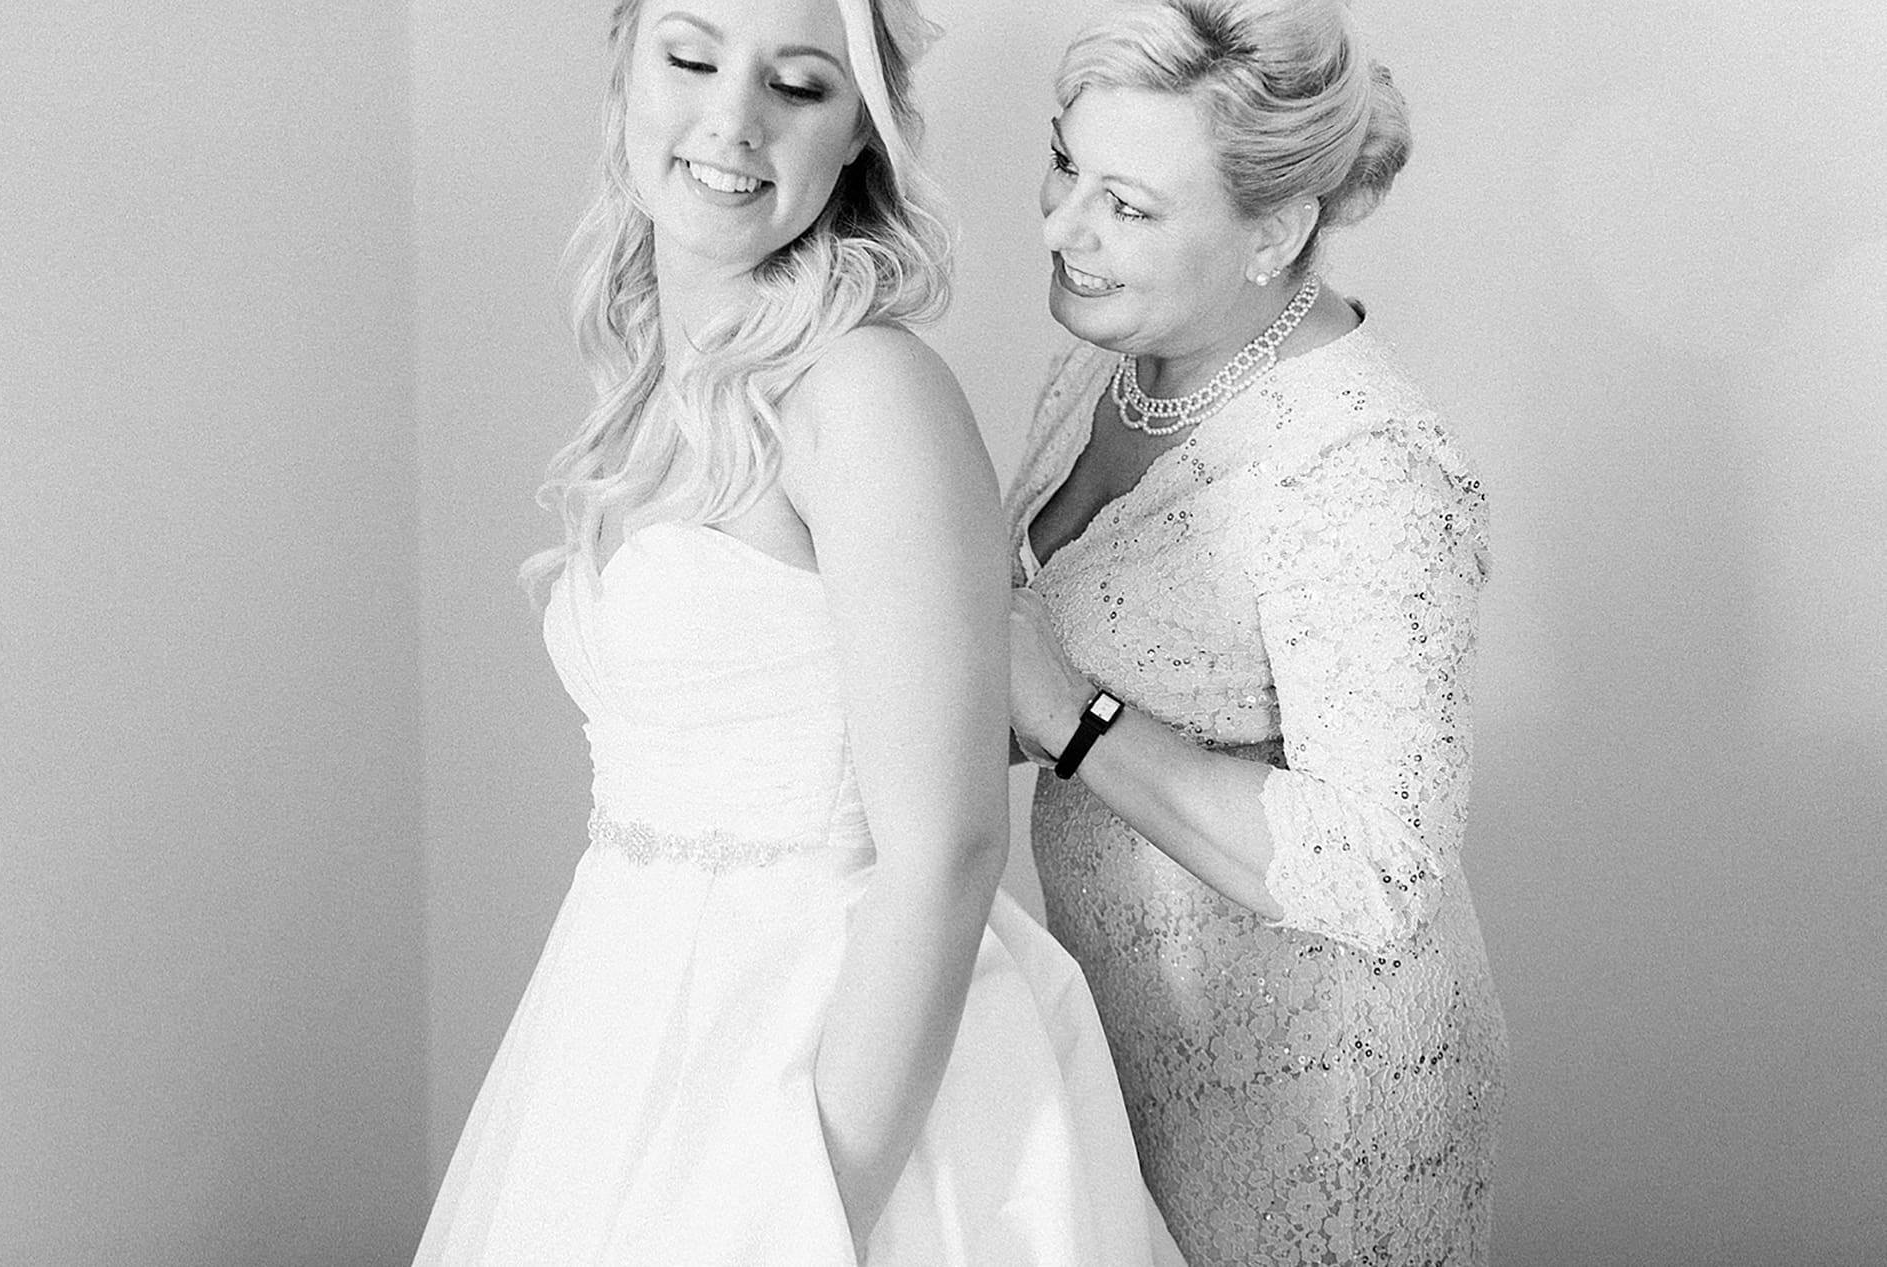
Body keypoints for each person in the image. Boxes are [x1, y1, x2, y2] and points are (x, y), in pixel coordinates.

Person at [415, 0, 1181, 1263]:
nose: (733, 120)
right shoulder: (663, 385)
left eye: (801, 85)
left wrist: (806, 1204)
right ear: (624, 74)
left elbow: (945, 851)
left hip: (831, 1066)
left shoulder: (866, 393)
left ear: (857, 144)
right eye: (690, 55)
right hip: (624, 1022)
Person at [1004, 1, 1509, 1263]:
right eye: (1066, 165)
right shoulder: (1104, 367)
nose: (1066, 230)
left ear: (1272, 232)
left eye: (1128, 206)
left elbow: (1377, 866)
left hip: (1315, 1099)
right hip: (1131, 1028)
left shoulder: (1363, 465)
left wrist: (1065, 715)